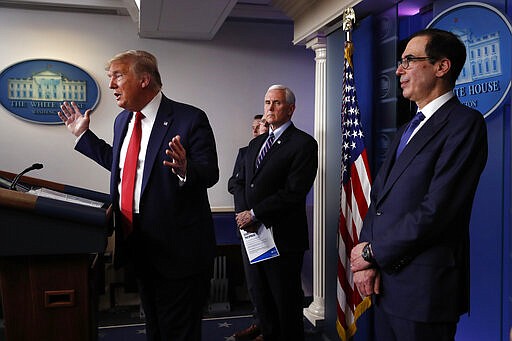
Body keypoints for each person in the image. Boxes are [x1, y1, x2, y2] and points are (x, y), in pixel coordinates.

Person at [57, 50, 219, 341]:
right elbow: (122, 165)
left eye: (118, 76)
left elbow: (210, 174)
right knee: (154, 327)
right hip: (138, 243)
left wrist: (185, 168)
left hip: (179, 251)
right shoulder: (123, 121)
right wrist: (84, 137)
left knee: (179, 331)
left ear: (144, 80)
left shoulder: (189, 118)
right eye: (110, 78)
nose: (111, 86)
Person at [350, 28, 488, 341]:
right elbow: (379, 200)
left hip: (425, 292)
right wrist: (367, 262)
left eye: (410, 60)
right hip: (385, 283)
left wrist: (372, 252)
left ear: (442, 67)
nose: (399, 70)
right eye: (400, 61)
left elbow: (437, 210)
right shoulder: (406, 129)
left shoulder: (465, 124)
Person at [233, 84, 318, 341]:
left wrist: (255, 213)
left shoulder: (303, 144)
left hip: (282, 238)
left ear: (290, 109)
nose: (270, 108)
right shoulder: (256, 143)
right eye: (267, 102)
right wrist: (242, 214)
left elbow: (294, 191)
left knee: (285, 306)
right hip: (252, 237)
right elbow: (240, 183)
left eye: (277, 103)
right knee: (262, 302)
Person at [227, 113, 268, 340]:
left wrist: (255, 215)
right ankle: (259, 323)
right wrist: (245, 215)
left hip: (268, 226)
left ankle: (271, 327)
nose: (253, 131)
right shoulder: (244, 152)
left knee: (270, 281)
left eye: (259, 126)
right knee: (253, 281)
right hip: (247, 228)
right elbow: (233, 183)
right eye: (252, 127)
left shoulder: (275, 153)